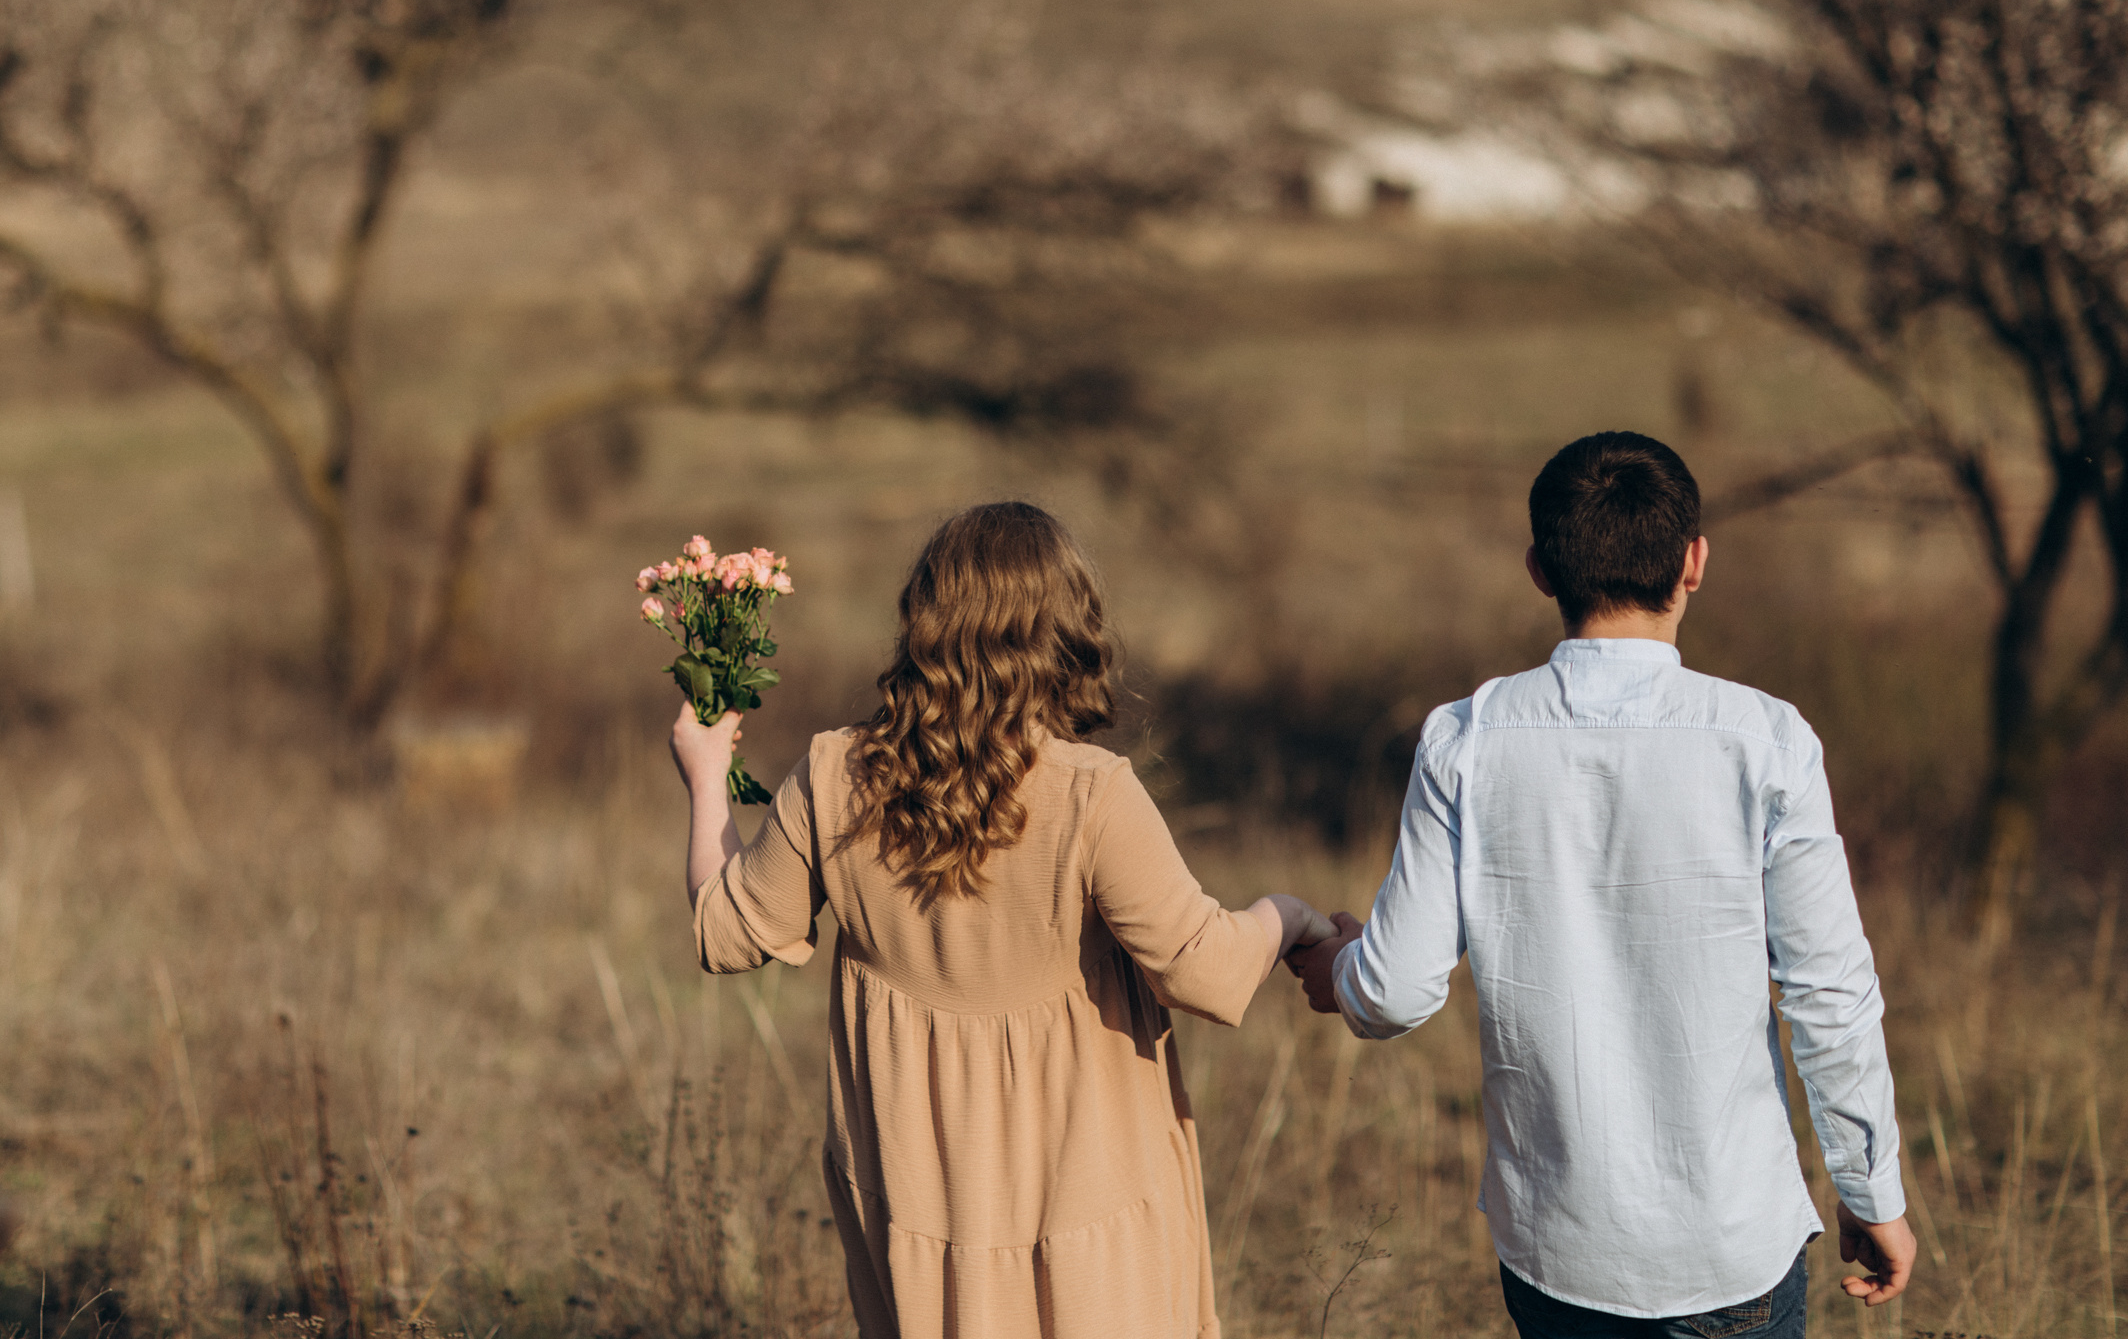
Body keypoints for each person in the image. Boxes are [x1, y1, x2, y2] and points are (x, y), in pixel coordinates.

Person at [1289, 431, 1915, 1338]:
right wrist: (1870, 1189)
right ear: (1695, 563)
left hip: (1557, 1250)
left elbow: (1389, 992)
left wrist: (1340, 968)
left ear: (1540, 569)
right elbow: (1829, 993)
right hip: (1732, 1248)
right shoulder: (1767, 739)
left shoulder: (1466, 739)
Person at [672, 501, 1332, 1339]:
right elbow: (1203, 970)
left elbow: (724, 931)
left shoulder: (833, 773)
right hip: (1088, 1208)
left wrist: (703, 781)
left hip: (918, 1212)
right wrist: (1288, 916)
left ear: (923, 622)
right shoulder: (1091, 792)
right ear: (1063, 632)